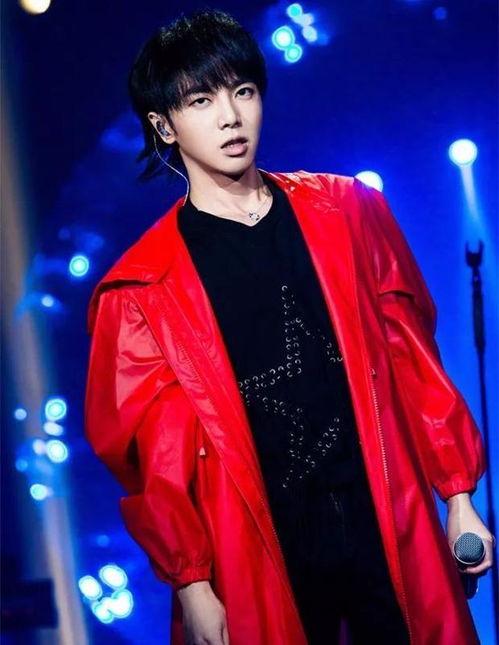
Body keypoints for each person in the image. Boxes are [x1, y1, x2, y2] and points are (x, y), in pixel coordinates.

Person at [84, 9, 495, 645]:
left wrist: (458, 494)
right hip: (261, 547)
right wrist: (191, 582)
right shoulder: (143, 290)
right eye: (201, 101)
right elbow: (154, 455)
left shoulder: (348, 212)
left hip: (383, 514)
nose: (230, 117)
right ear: (164, 125)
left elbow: (412, 356)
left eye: (243, 91)